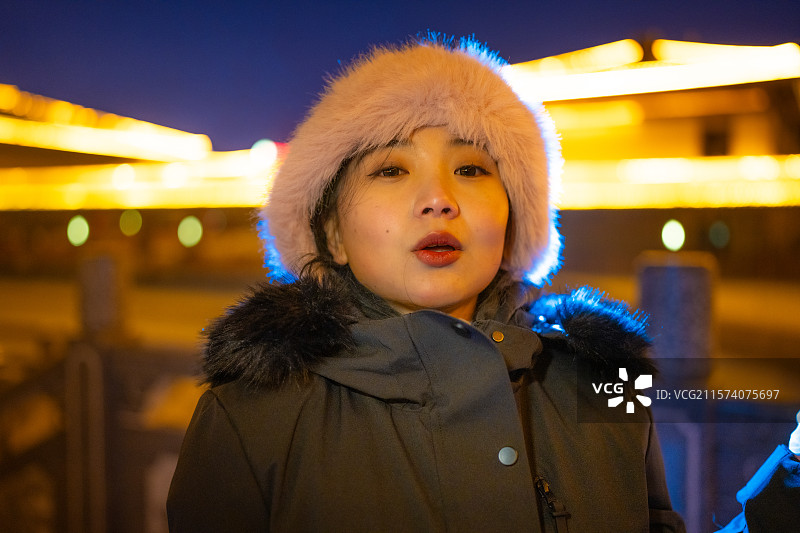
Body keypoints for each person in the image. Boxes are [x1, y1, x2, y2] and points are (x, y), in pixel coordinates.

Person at [167, 34, 686, 532]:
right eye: (391, 170)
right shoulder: (253, 419)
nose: (439, 198)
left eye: (471, 169)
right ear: (333, 236)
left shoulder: (604, 387)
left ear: (510, 224)